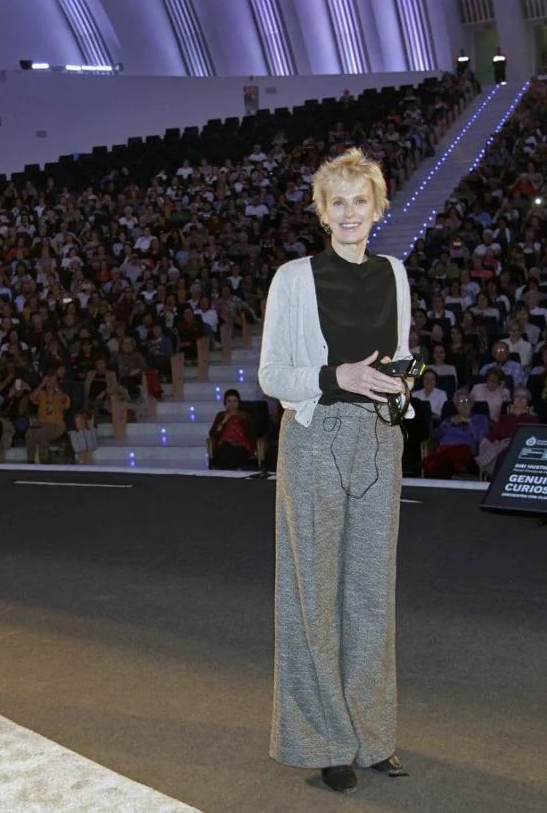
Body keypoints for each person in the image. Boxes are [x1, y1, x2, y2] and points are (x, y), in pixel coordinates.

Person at [258, 148, 413, 794]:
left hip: (380, 441)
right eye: (338, 202)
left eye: (361, 200)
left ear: (377, 208)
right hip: (316, 440)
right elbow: (272, 376)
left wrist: (400, 389)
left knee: (372, 597)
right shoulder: (294, 278)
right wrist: (335, 376)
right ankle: (323, 739)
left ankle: (373, 736)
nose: (350, 213)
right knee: (313, 598)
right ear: (323, 212)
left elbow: (400, 356)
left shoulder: (396, 273)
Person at [475, 388, 538, 476]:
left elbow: (532, 437)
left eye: (524, 397)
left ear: (527, 402)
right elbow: (495, 433)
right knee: (495, 447)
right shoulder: (504, 418)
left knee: (505, 451)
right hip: (502, 446)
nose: (520, 399)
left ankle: (491, 467)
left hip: (520, 446)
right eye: (517, 396)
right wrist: (496, 440)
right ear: (513, 400)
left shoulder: (532, 419)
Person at [207, 388, 257, 470]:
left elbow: (252, 435)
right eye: (229, 401)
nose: (232, 404)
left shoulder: (245, 415)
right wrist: (224, 421)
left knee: (236, 452)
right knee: (226, 450)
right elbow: (212, 434)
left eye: (235, 401)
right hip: (224, 446)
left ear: (238, 403)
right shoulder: (221, 416)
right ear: (225, 403)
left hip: (241, 446)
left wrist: (242, 421)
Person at [26, 373, 70, 463]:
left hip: (56, 425)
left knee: (41, 434)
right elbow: (31, 397)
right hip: (41, 423)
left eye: (54, 381)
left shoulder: (61, 394)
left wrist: (57, 388)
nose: (51, 383)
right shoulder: (41, 394)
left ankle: (44, 459)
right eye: (49, 381)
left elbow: (65, 401)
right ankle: (30, 461)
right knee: (29, 433)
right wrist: (41, 384)